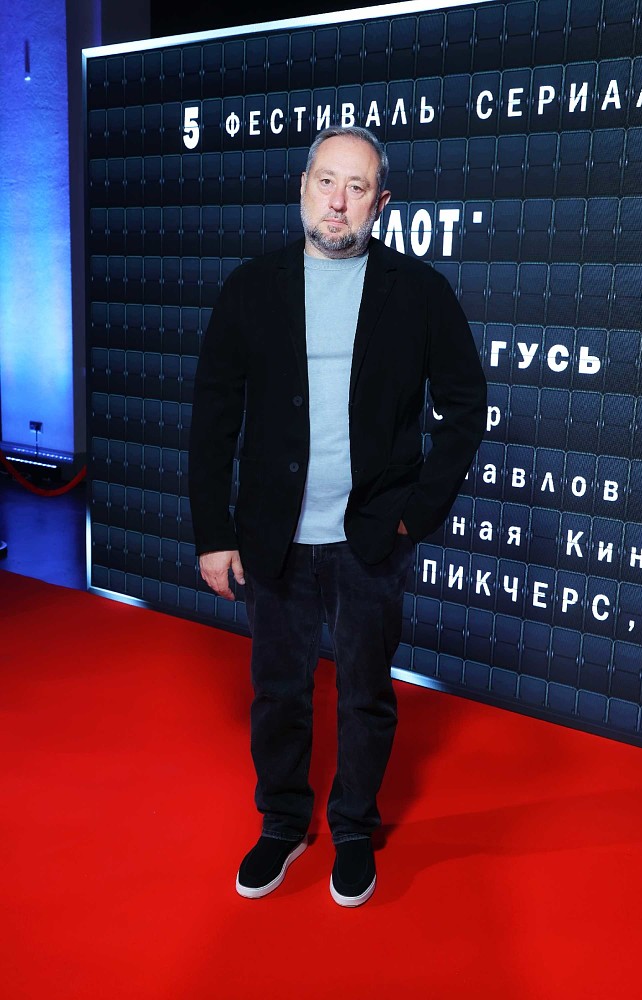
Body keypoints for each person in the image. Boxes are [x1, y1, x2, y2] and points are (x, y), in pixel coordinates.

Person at [188, 125, 487, 907]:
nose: (337, 200)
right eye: (326, 180)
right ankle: (283, 824)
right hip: (273, 537)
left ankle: (353, 827)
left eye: (356, 187)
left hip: (369, 538)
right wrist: (214, 534)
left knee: (364, 695)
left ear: (379, 204)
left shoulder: (417, 290)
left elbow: (464, 406)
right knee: (278, 693)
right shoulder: (250, 287)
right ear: (302, 187)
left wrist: (414, 514)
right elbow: (213, 418)